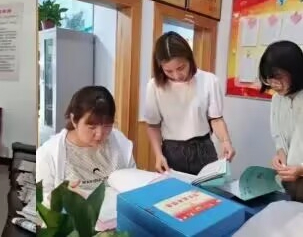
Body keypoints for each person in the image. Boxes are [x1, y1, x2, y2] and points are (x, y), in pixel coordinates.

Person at [144, 32, 236, 175]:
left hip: (203, 149)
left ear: (189, 59)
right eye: (168, 71)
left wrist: (226, 141)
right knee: (173, 189)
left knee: (210, 189)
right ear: (160, 67)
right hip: (172, 152)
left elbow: (216, 119)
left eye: (181, 68)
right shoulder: (154, 86)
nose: (176, 75)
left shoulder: (209, 81)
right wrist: (158, 155)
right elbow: (153, 126)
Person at [36, 86, 135, 201]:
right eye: (92, 127)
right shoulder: (48, 154)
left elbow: (133, 179)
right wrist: (59, 197)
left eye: (107, 126)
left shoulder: (119, 141)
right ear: (74, 120)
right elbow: (41, 200)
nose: (99, 134)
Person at [259, 40, 303, 202]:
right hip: (290, 182)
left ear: (295, 71)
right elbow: (278, 137)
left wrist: (301, 170)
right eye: (269, 78)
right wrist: (280, 157)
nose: (273, 84)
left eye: (278, 77)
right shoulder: (277, 100)